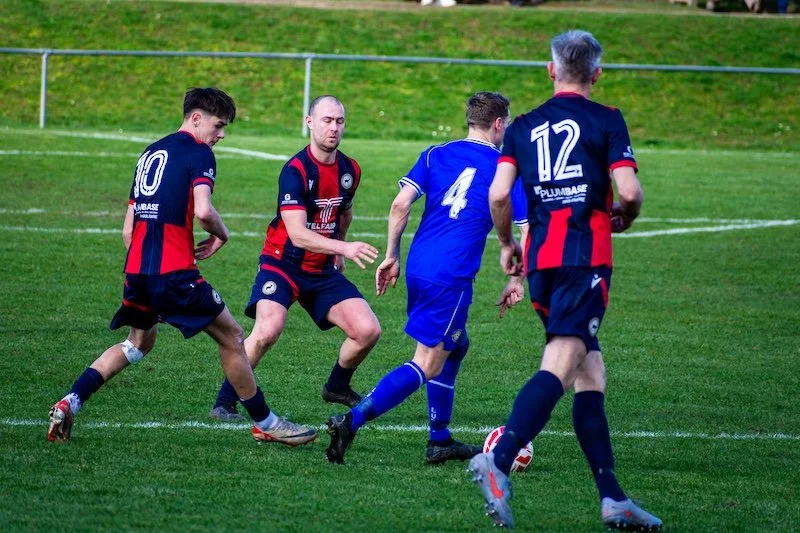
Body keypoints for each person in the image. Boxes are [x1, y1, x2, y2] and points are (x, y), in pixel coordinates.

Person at [467, 30, 663, 530]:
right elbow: (630, 191)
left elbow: (498, 194)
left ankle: (613, 497)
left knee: (589, 372)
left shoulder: (522, 125)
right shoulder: (606, 118)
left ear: (551, 70)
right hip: (584, 260)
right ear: (596, 73)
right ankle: (498, 460)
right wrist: (626, 216)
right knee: (561, 363)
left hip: (542, 263)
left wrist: (507, 245)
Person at [47, 88, 317, 447]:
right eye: (218, 125)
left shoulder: (149, 153)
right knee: (234, 337)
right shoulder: (199, 152)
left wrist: (150, 278)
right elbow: (203, 211)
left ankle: (70, 401)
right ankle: (266, 422)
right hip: (174, 273)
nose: (221, 135)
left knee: (136, 344)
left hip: (138, 272)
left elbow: (128, 229)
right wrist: (222, 234)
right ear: (196, 118)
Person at [325, 92, 528, 465]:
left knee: (456, 345)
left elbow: (400, 203)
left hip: (419, 265)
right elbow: (526, 227)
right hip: (451, 274)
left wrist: (391, 255)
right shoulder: (505, 167)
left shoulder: (435, 154)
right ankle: (350, 421)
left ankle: (440, 440)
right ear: (499, 124)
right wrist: (517, 279)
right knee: (428, 361)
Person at [209, 95, 382, 421]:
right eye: (327, 120)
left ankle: (336, 386)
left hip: (321, 269)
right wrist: (344, 248)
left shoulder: (350, 170)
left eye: (339, 121)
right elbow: (298, 233)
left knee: (367, 330)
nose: (334, 128)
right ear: (310, 122)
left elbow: (344, 212)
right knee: (267, 330)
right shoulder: (295, 170)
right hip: (282, 264)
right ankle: (225, 401)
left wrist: (338, 248)